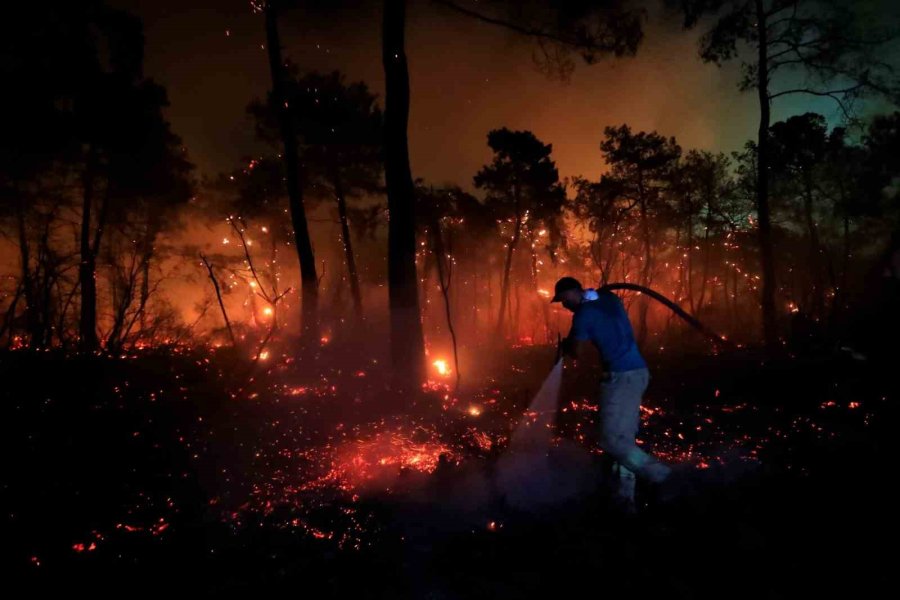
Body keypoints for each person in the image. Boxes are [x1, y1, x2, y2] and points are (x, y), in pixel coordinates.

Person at [552, 276, 675, 507]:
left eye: (563, 299)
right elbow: (601, 297)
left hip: (620, 377)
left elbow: (578, 353)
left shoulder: (582, 315)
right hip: (638, 372)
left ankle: (663, 477)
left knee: (611, 441)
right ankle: (624, 498)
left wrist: (568, 344)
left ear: (572, 292)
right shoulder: (609, 299)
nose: (563, 305)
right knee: (623, 440)